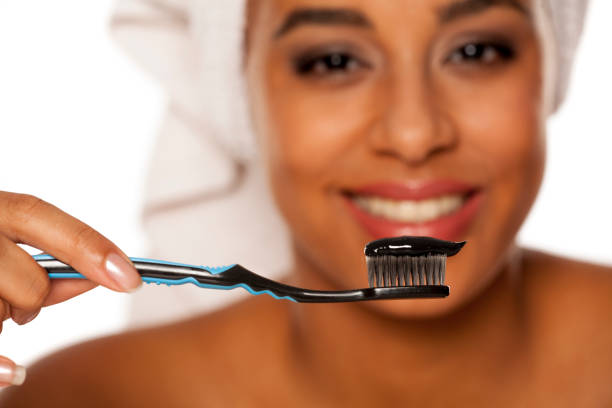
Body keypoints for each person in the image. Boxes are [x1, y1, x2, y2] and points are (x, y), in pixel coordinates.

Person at [1, 0, 610, 406]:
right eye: (334, 61)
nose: (414, 134)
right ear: (239, 95)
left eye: (474, 52)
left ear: (549, 66)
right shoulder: (85, 397)